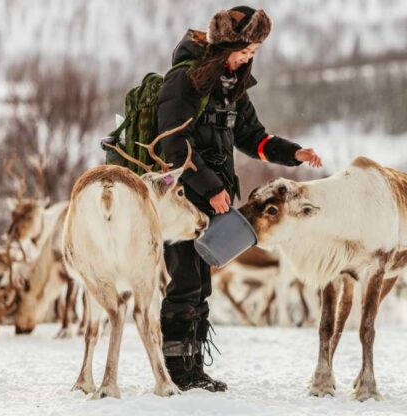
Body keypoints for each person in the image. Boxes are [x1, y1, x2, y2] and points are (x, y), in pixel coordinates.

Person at [156, 6, 322, 392]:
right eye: (245, 51)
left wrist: (292, 153)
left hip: (214, 201)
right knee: (183, 283)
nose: (248, 58)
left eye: (253, 52)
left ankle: (192, 367)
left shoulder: (232, 89)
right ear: (224, 46)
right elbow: (171, 145)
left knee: (201, 285)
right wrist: (211, 187)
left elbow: (253, 137)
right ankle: (177, 370)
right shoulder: (182, 84)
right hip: (182, 201)